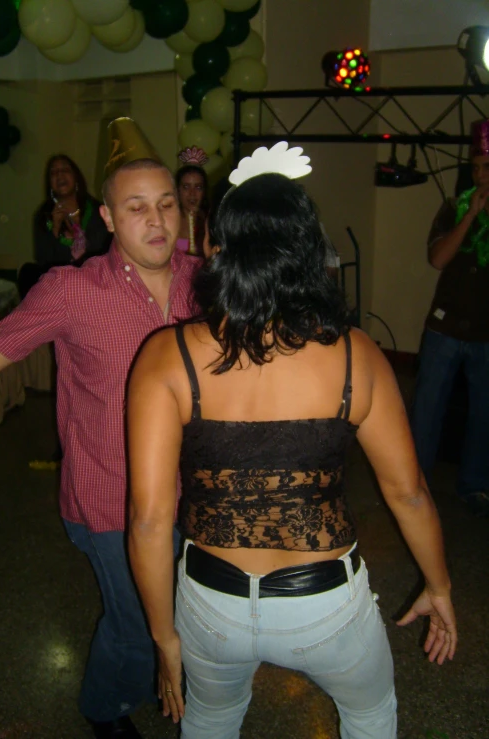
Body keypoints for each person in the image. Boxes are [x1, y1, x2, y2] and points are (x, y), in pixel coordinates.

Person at [127, 143, 457, 739]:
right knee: (370, 715)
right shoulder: (357, 356)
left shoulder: (165, 356)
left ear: (212, 247)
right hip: (324, 604)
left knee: (210, 719)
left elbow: (150, 522)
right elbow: (407, 495)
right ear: (309, 253)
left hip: (211, 600)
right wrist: (439, 586)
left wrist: (164, 638)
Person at [0, 118, 201, 739]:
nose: (157, 219)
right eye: (136, 207)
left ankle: (164, 670)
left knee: (179, 605)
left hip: (191, 489)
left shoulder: (201, 279)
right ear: (106, 217)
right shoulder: (72, 290)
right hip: (109, 496)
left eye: (165, 204)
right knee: (134, 620)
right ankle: (102, 707)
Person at [410, 119, 489, 518]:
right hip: (444, 326)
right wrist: (471, 215)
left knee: (483, 412)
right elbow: (439, 258)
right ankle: (417, 483)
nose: (479, 175)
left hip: (485, 332)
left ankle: (473, 485)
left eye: (486, 168)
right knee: (428, 407)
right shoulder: (453, 206)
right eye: (475, 168)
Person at [18, 155, 112, 299]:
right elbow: (44, 263)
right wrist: (55, 231)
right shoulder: (42, 218)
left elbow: (104, 253)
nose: (60, 175)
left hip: (96, 286)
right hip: (61, 291)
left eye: (65, 170)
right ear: (50, 184)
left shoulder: (97, 211)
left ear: (76, 178)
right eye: (54, 173)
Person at [175, 147, 209, 256]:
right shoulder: (168, 220)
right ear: (177, 189)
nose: (192, 194)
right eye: (186, 187)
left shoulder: (210, 221)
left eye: (198, 187)